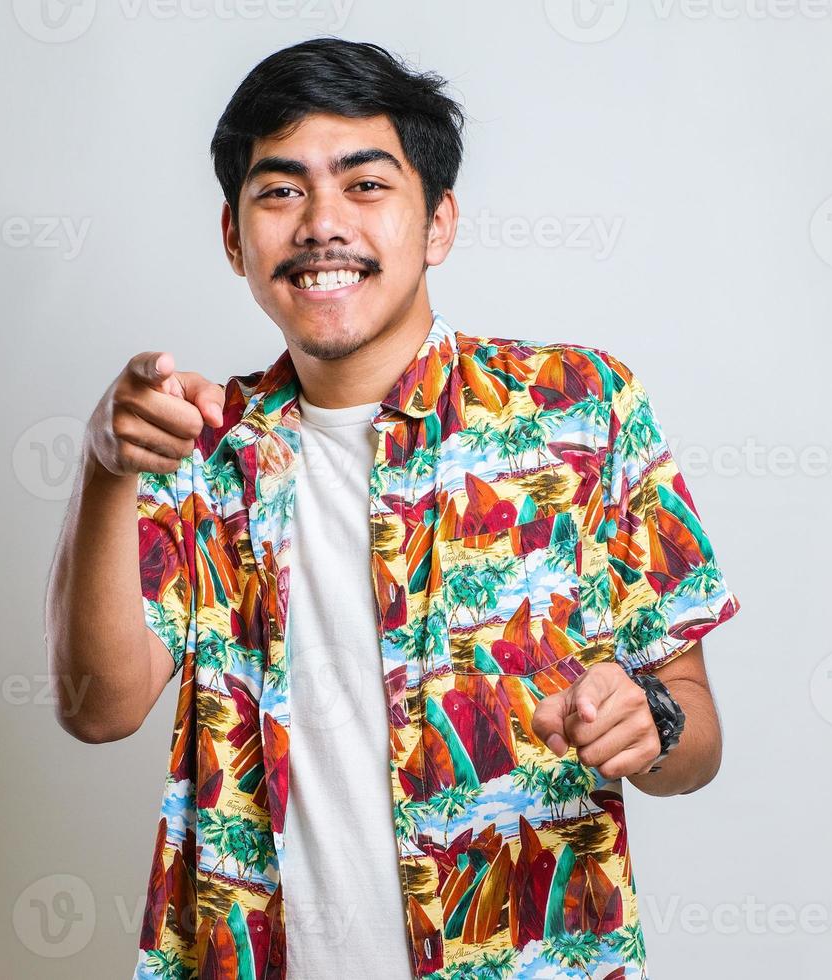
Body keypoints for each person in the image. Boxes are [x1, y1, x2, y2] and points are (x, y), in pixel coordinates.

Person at [46, 37, 740, 980]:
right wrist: (103, 466)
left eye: (366, 185)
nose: (322, 224)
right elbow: (99, 709)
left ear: (438, 221)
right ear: (233, 235)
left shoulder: (581, 408)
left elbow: (694, 735)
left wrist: (649, 719)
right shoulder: (201, 446)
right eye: (281, 190)